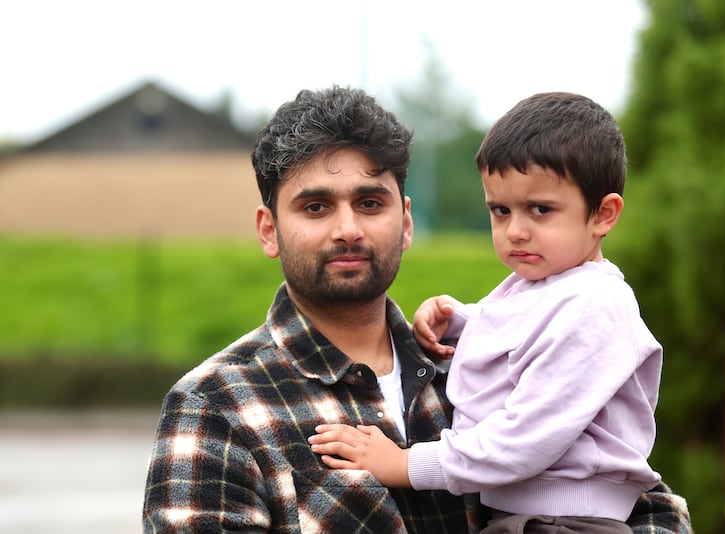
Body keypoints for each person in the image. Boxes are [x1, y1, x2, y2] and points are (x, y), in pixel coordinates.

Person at [143, 86, 692, 533]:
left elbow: (648, 507)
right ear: (270, 231)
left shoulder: (479, 365)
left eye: (369, 202)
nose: (348, 229)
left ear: (405, 221)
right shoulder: (217, 406)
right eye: (315, 207)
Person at [309, 92, 674, 533]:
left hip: (567, 520)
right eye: (500, 211)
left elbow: (526, 437)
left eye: (540, 210)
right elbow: (523, 330)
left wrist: (405, 464)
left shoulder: (596, 306)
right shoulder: (542, 283)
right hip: (528, 514)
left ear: (603, 214)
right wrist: (457, 320)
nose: (515, 230)